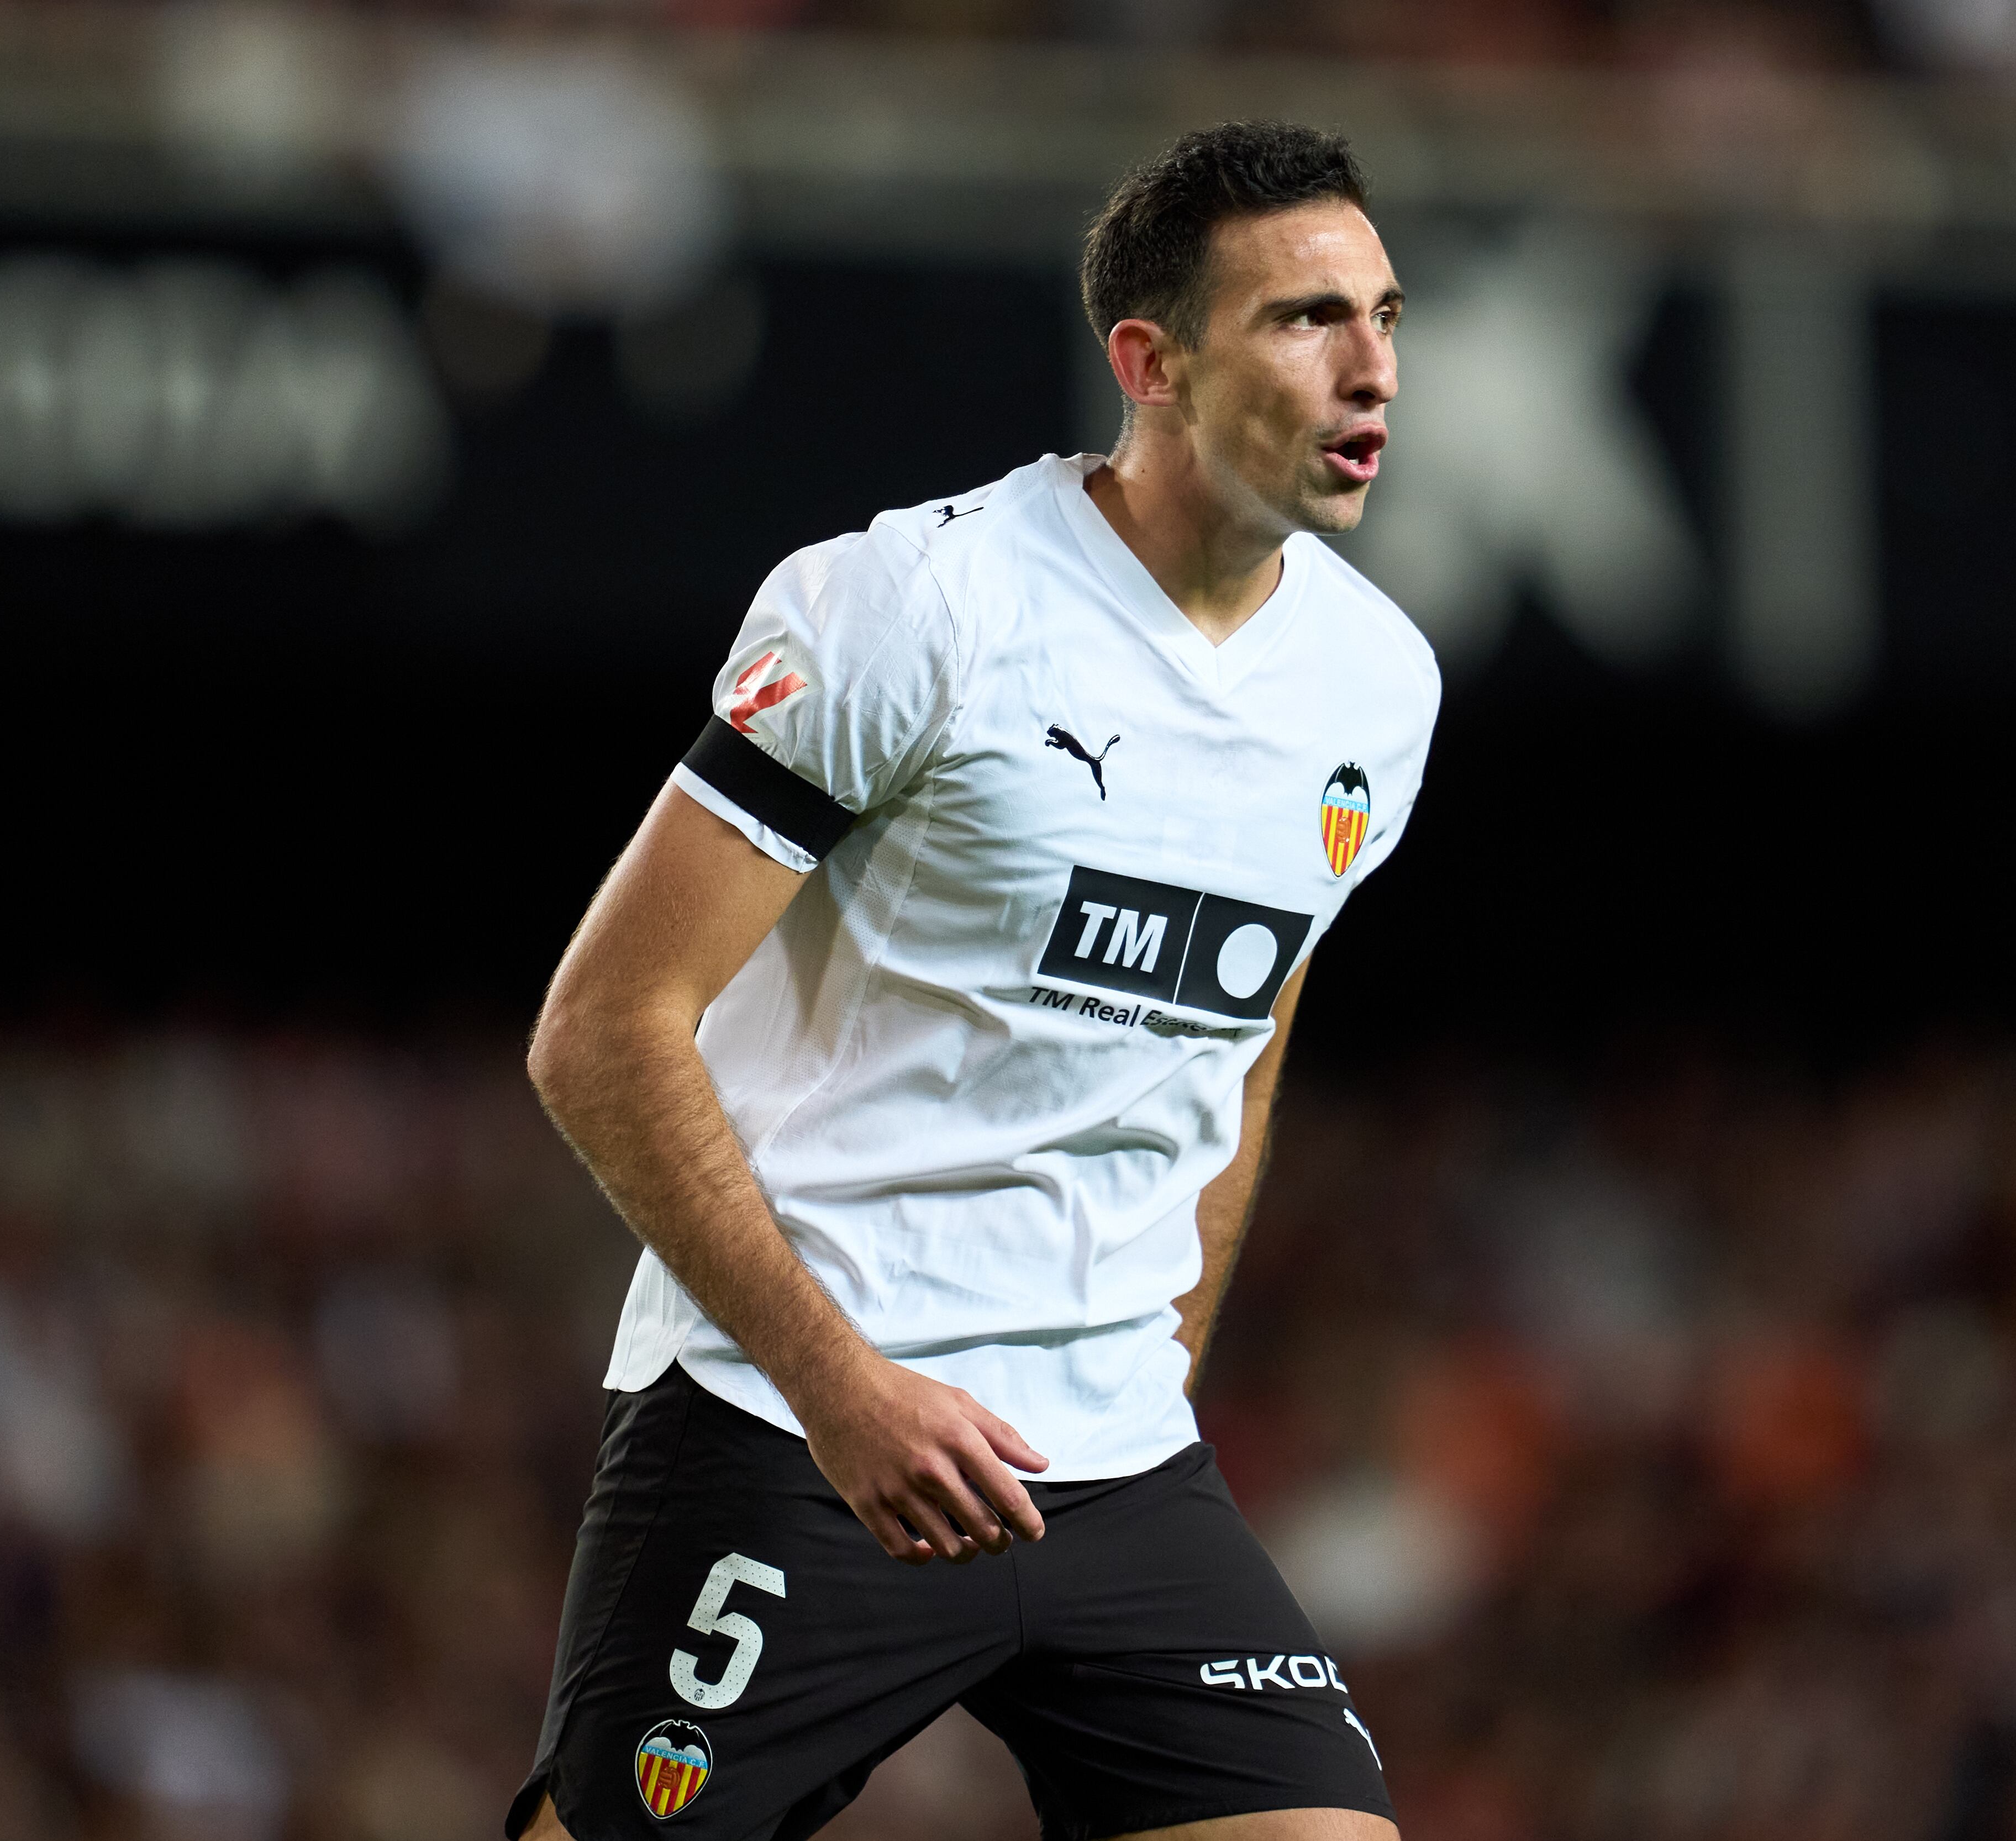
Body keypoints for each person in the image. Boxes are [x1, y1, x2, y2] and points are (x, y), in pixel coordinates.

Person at [508, 120, 1438, 1841]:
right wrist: (840, 1390)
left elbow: (1238, 1045)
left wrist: (1152, 1366)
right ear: (1148, 365)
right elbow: (600, 1031)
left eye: (1386, 312)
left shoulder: (1378, 688)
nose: (1373, 364)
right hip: (793, 1432)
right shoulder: (914, 606)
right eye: (1307, 320)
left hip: (1111, 1465)